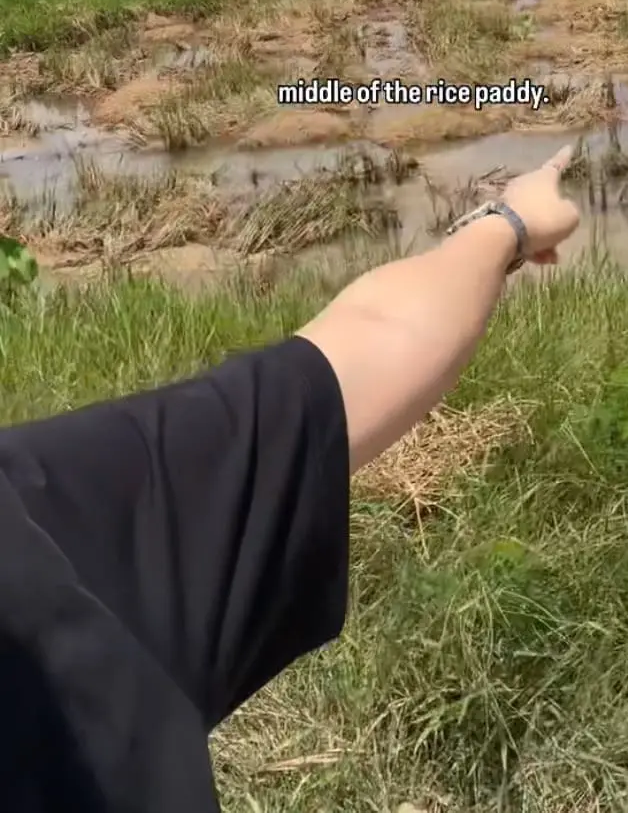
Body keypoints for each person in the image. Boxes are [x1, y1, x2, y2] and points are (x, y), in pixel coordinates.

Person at [0, 146, 579, 812]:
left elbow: (332, 377)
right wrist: (509, 221)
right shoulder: (32, 545)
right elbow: (364, 353)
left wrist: (507, 222)